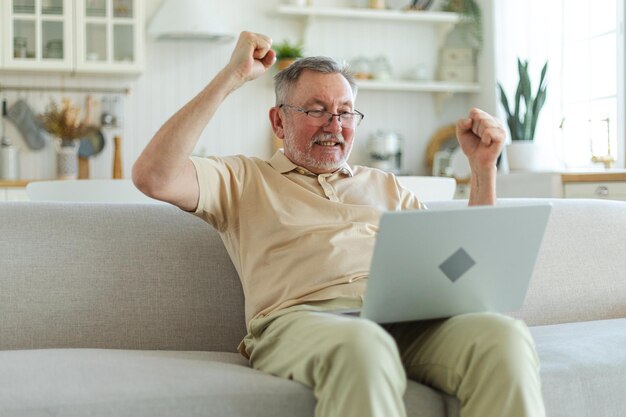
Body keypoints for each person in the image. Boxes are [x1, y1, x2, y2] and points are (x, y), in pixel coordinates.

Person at [133, 31, 545, 417]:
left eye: (346, 112)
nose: (335, 125)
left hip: (404, 321)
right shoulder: (243, 179)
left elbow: (465, 266)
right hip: (302, 323)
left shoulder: (384, 184)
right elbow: (155, 175)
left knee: (502, 338)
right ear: (278, 122)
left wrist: (483, 168)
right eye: (316, 111)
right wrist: (230, 77)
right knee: (364, 345)